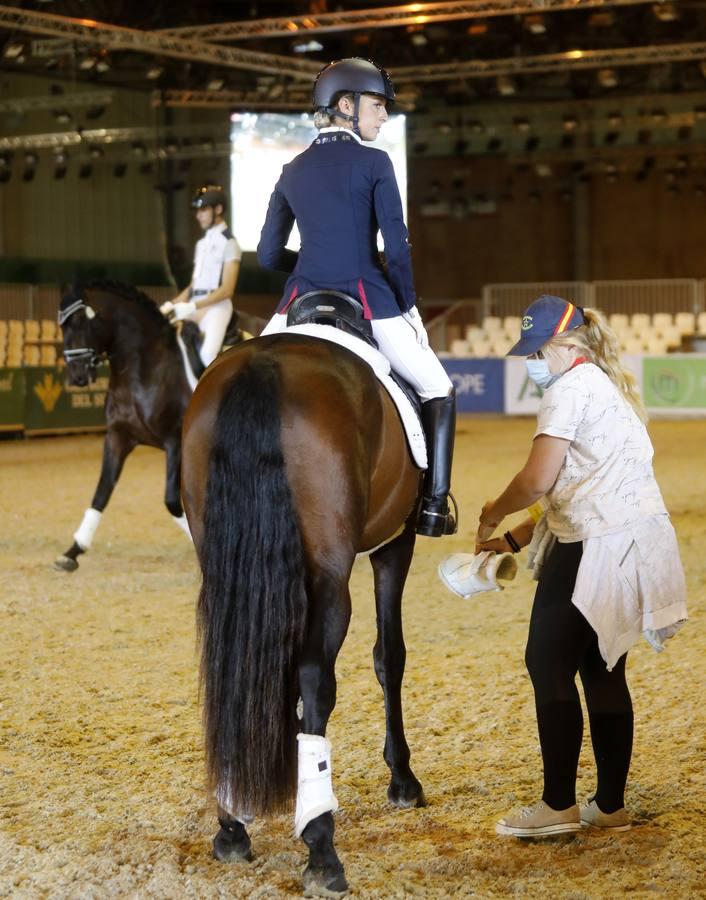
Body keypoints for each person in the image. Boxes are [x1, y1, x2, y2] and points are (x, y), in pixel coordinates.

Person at [474, 294, 687, 838]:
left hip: (596, 544)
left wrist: (493, 511)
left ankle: (557, 806)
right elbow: (576, 487)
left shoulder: (569, 389)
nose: (532, 362)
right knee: (602, 667)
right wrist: (517, 539)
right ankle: (609, 805)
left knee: (546, 662)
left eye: (538, 351)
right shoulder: (604, 386)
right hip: (627, 539)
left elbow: (538, 481)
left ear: (565, 347)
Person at [256, 57, 456, 537]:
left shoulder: (291, 169)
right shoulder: (374, 163)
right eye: (378, 105)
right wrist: (406, 300)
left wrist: (308, 267)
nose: (384, 116)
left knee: (244, 379)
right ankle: (433, 506)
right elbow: (398, 246)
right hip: (368, 296)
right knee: (438, 388)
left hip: (298, 300)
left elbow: (266, 255)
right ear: (346, 105)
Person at [160, 185, 241, 375]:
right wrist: (169, 305)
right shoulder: (201, 244)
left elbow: (228, 289)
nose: (198, 216)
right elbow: (193, 286)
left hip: (217, 307)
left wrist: (192, 307)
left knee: (208, 355)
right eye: (198, 211)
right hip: (195, 304)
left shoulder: (229, 243)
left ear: (218, 210)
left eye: (203, 210)